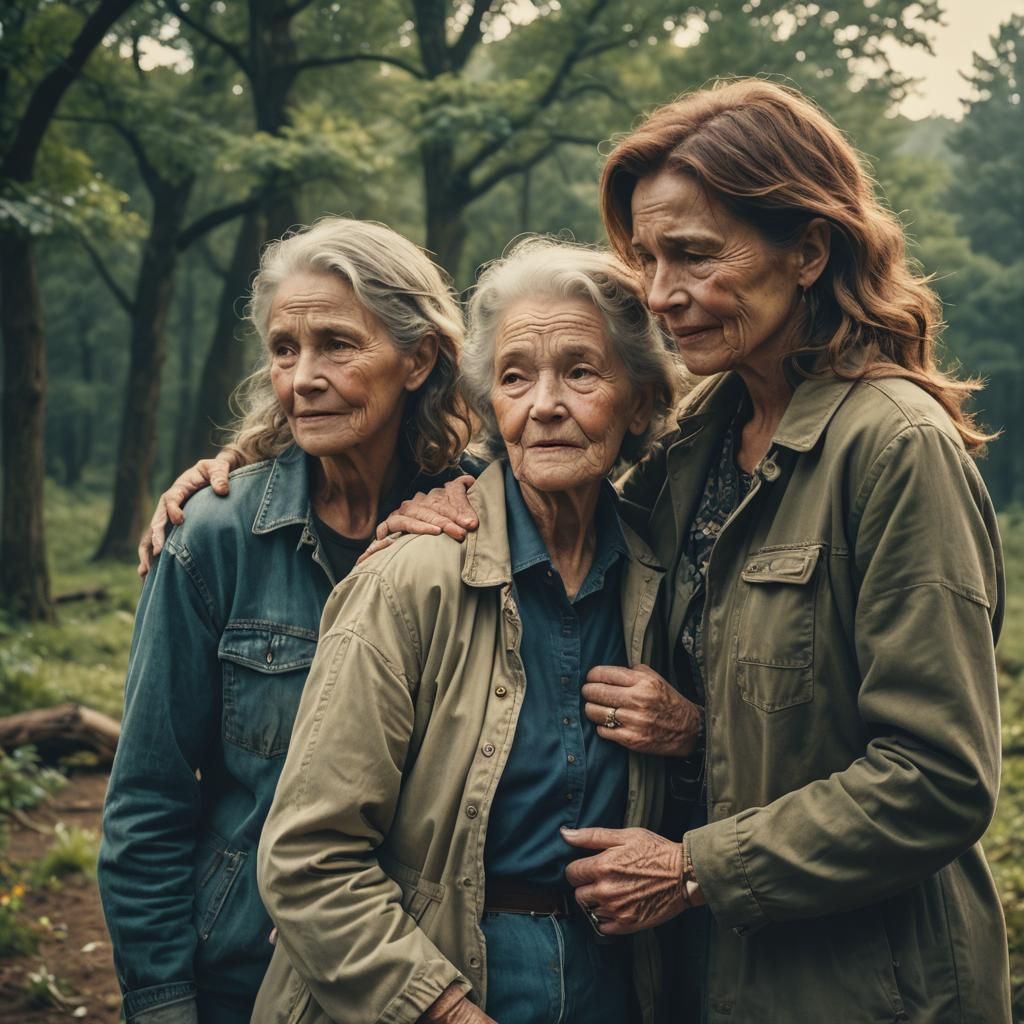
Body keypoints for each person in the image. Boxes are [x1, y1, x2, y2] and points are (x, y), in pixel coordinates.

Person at [366, 80, 1013, 1022]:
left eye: (696, 256)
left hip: (869, 988)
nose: (664, 294)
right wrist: (417, 492)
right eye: (648, 258)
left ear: (808, 250)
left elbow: (939, 781)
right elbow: (560, 438)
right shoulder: (703, 431)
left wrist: (692, 868)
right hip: (710, 979)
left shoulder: (894, 446)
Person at [249, 239, 690, 1024]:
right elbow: (307, 861)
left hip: (618, 981)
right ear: (491, 408)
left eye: (581, 372)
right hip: (443, 980)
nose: (544, 404)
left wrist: (693, 731)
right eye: (515, 378)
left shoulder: (663, 577)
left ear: (643, 404)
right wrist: (444, 1011)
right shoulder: (411, 575)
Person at [98, 217, 472, 1024]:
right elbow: (147, 804)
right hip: (242, 972)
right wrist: (161, 1005)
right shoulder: (212, 539)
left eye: (337, 344)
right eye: (283, 349)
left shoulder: (488, 520)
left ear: (419, 358)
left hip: (431, 972)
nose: (303, 377)